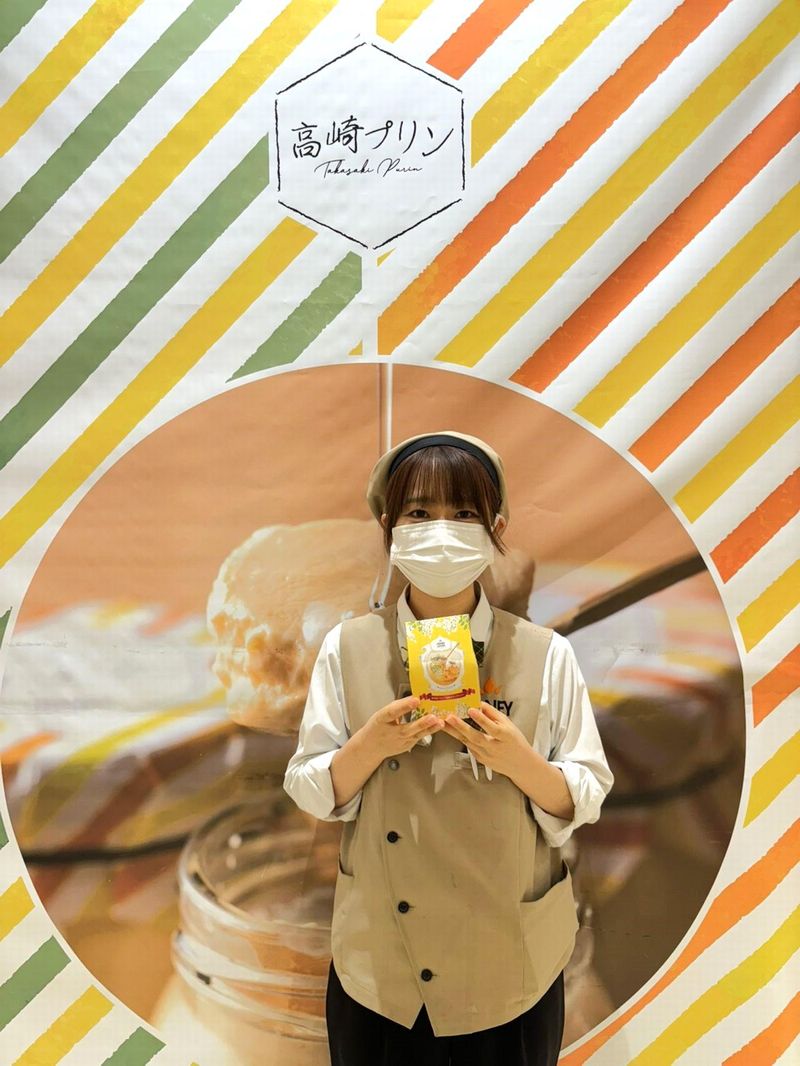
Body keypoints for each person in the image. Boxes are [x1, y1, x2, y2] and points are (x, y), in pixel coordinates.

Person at [283, 431, 614, 1066]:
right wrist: (371, 745)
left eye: (463, 512)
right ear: (389, 528)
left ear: (496, 528)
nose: (440, 530)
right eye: (419, 512)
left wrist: (518, 760)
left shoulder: (546, 654)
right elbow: (308, 785)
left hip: (508, 966)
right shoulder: (347, 648)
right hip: (381, 970)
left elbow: (587, 793)